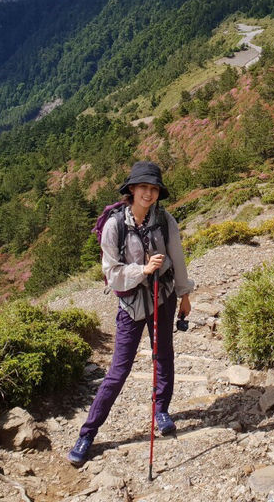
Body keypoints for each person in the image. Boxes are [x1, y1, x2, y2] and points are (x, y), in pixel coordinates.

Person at [68, 161, 194, 467]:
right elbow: (111, 273)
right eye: (143, 188)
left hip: (162, 298)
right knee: (118, 371)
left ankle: (161, 410)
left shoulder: (164, 220)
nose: (149, 194)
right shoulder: (115, 226)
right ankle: (88, 433)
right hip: (131, 305)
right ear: (132, 190)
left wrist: (184, 294)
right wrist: (143, 269)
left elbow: (176, 257)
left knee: (163, 355)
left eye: (153, 189)